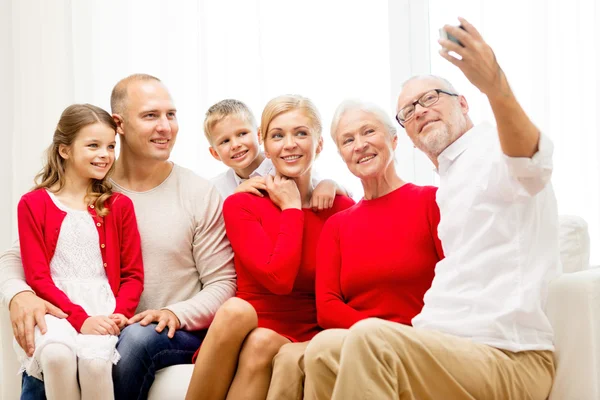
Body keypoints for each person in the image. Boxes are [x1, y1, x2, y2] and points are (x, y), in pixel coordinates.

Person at [304, 17, 558, 400]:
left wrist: (495, 86)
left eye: (430, 97)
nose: (419, 110)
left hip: (509, 354)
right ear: (405, 133)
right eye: (408, 111)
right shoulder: (449, 185)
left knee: (371, 341)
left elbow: (533, 162)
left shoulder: (492, 149)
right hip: (445, 346)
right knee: (322, 352)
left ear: (464, 102)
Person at [1, 74, 237, 400]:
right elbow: (20, 254)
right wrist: (18, 295)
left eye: (171, 114)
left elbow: (223, 283)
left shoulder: (197, 193)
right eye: (151, 115)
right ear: (119, 124)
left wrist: (176, 313)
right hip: (87, 316)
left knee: (134, 341)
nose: (166, 127)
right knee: (53, 345)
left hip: (164, 330)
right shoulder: (87, 178)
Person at [266, 100, 444, 400]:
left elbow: (454, 281)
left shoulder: (431, 201)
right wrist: (374, 335)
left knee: (320, 351)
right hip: (357, 340)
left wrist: (392, 336)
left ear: (394, 139)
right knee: (288, 358)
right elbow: (327, 305)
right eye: (348, 140)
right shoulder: (339, 224)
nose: (359, 145)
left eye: (368, 132)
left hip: (418, 339)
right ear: (341, 154)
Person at [185, 95, 355, 400]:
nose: (289, 144)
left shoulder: (340, 206)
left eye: (301, 133)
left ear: (319, 144)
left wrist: (304, 201)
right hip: (249, 322)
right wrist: (292, 210)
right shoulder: (240, 202)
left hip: (306, 327)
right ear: (267, 144)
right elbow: (278, 279)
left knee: (262, 342)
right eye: (278, 136)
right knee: (247, 324)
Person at [13, 103, 144, 400]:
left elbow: (133, 275)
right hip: (56, 308)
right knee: (57, 356)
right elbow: (37, 277)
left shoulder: (119, 206)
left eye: (111, 146)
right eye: (93, 145)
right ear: (65, 150)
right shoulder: (33, 204)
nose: (105, 154)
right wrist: (78, 318)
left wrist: (119, 316)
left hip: (104, 308)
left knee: (96, 366)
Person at [204, 98, 347, 208]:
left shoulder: (284, 164)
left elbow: (317, 185)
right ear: (215, 153)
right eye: (225, 141)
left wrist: (331, 184)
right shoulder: (216, 188)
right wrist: (236, 197)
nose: (235, 145)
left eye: (242, 134)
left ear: (260, 136)